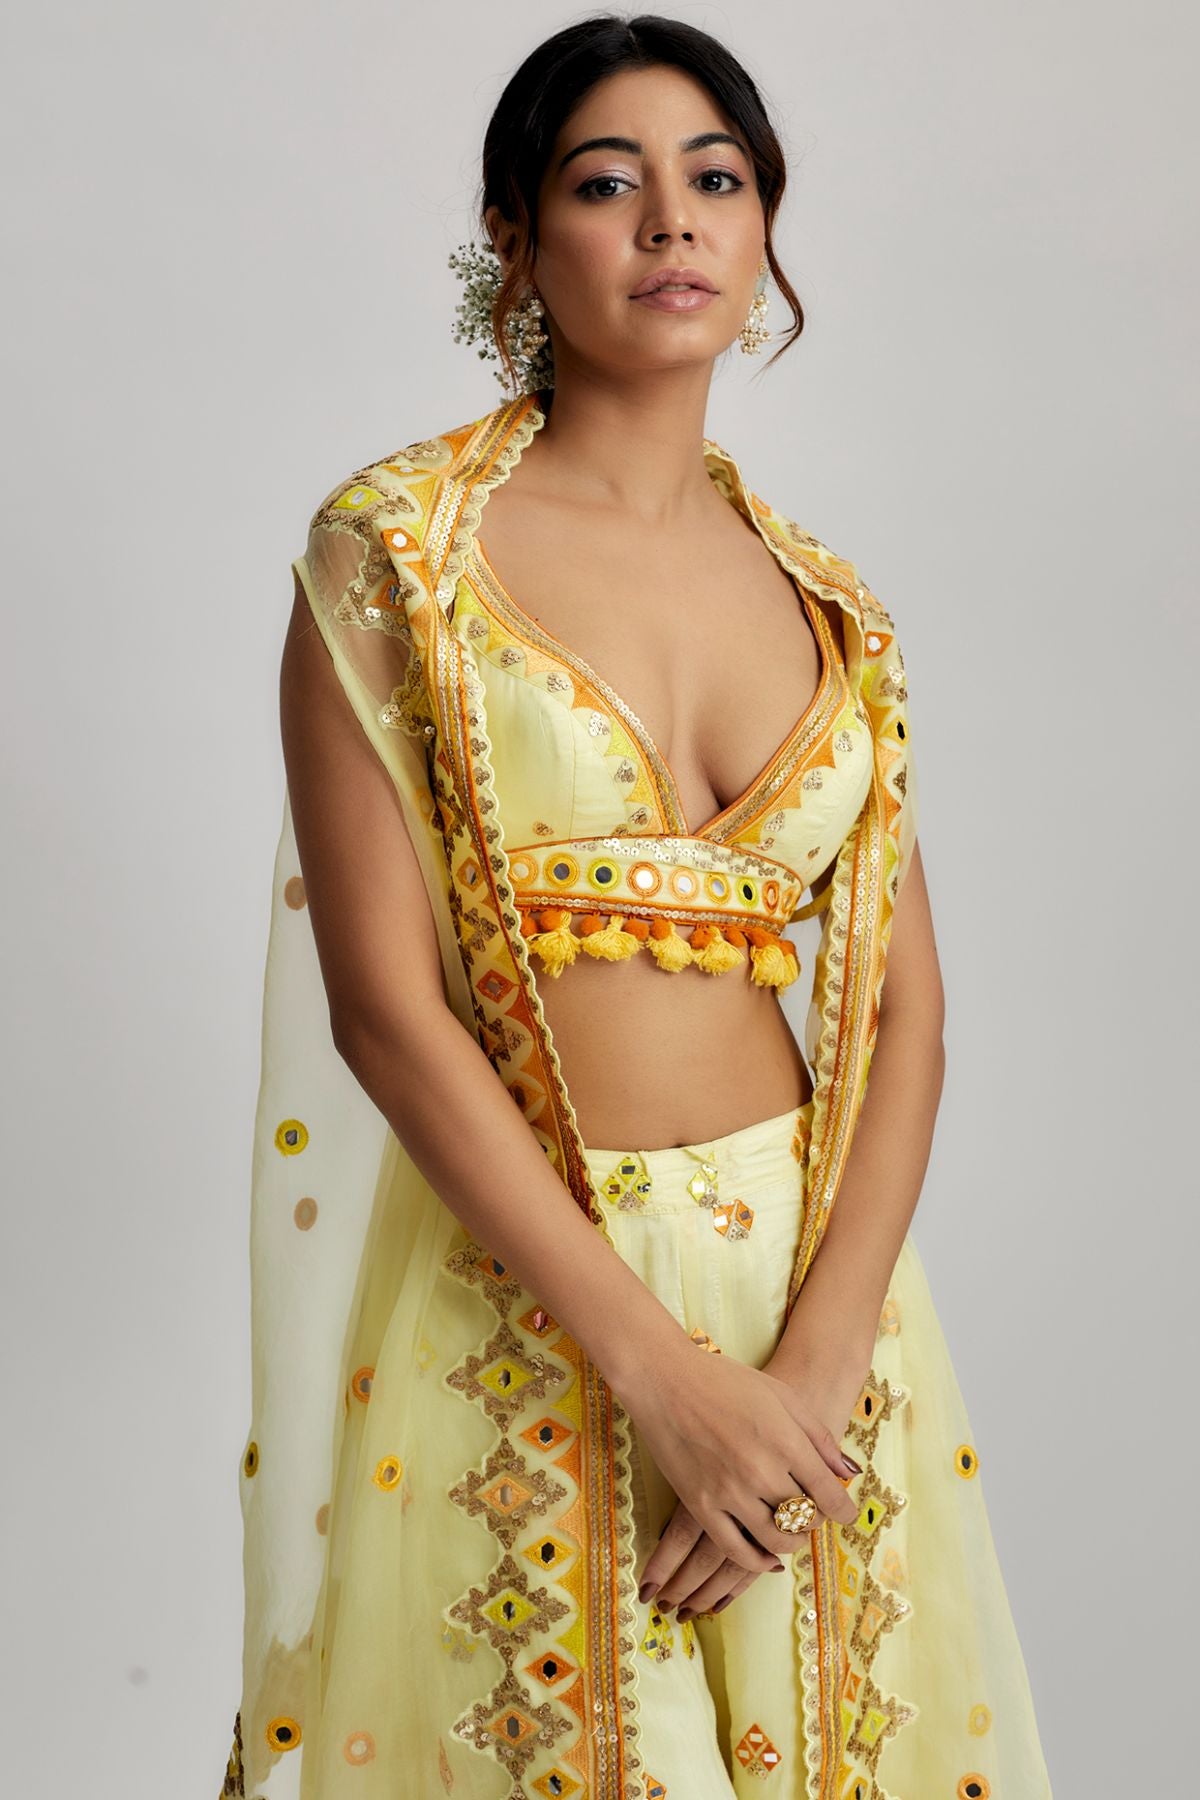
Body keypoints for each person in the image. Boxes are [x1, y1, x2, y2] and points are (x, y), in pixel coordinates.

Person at [220, 15, 1052, 1798]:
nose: (672, 220)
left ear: (762, 232)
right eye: (608, 184)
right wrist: (663, 1379)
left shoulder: (832, 608)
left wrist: (810, 1374)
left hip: (817, 1315)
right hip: (530, 1292)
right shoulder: (398, 555)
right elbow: (386, 1012)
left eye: (717, 179)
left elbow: (906, 1012)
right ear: (514, 242)